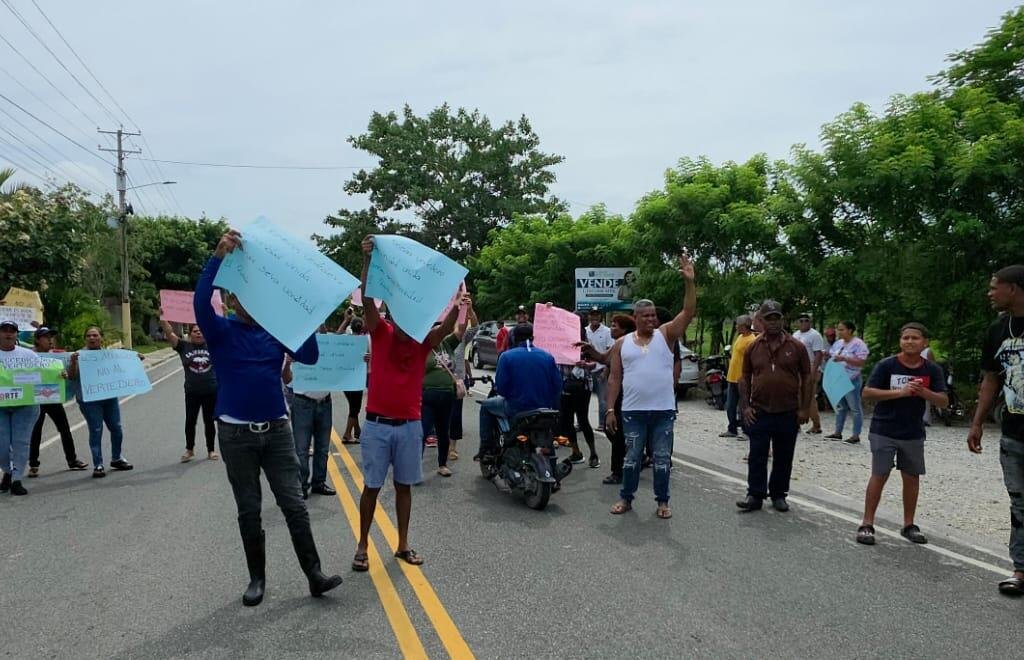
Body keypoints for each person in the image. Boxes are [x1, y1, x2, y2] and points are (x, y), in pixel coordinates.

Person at [196, 230, 342, 607]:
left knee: (294, 504)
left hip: (277, 430)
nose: (248, 302)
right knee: (249, 509)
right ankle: (257, 578)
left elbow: (309, 355)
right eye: (240, 295)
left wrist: (300, 316)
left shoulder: (276, 332)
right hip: (235, 434)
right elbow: (200, 304)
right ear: (230, 299)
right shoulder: (221, 330)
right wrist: (217, 258)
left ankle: (314, 574)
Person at [352, 235, 470, 573]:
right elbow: (368, 301)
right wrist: (368, 262)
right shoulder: (381, 332)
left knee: (404, 488)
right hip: (376, 425)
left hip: (408, 427)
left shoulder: (422, 344)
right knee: (371, 487)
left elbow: (447, 329)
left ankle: (402, 544)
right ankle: (362, 546)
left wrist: (461, 303)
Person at [606, 255, 696, 519]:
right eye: (645, 316)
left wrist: (690, 283)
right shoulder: (623, 343)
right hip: (633, 412)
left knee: (661, 460)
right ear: (636, 317)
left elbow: (688, 312)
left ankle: (662, 501)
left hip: (662, 412)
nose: (650, 319)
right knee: (631, 459)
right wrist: (610, 409)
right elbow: (614, 378)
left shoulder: (666, 335)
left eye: (653, 315)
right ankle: (626, 498)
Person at [855, 322, 947, 546]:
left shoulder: (932, 369)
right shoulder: (887, 365)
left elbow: (944, 400)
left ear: (925, 342)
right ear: (900, 341)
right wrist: (900, 392)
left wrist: (924, 392)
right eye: (905, 338)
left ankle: (909, 525)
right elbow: (867, 393)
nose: (910, 342)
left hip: (913, 431)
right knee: (880, 474)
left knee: (911, 477)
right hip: (884, 429)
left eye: (915, 338)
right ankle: (867, 524)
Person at [967, 265, 1024, 596]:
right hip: (1014, 431)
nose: (990, 293)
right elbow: (991, 379)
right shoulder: (997, 331)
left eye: (994, 287)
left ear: (1013, 289)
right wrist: (977, 421)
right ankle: (1020, 570)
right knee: (1019, 504)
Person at [735, 301, 813, 513]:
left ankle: (778, 494)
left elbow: (807, 376)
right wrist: (746, 407)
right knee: (757, 454)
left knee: (784, 455)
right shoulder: (753, 346)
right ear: (761, 321)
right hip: (760, 410)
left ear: (782, 319)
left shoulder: (796, 346)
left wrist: (804, 408)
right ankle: (755, 494)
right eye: (768, 318)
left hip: (788, 410)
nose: (773, 322)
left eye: (776, 318)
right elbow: (745, 377)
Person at [478, 323, 562, 459]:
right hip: (545, 410)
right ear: (533, 338)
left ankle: (487, 448)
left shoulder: (506, 356)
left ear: (513, 339)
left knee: (486, 407)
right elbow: (557, 386)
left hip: (516, 408)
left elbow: (502, 388)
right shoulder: (548, 357)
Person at [67, 327, 137, 478]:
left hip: (109, 397)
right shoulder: (79, 355)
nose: (92, 338)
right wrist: (73, 363)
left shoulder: (109, 354)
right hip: (89, 401)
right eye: (88, 335)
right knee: (96, 430)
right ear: (85, 339)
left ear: (101, 338)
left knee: (116, 428)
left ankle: (117, 458)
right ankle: (98, 464)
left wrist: (135, 360)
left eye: (95, 335)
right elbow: (71, 376)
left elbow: (122, 367)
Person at [579, 314, 637, 484]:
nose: (611, 328)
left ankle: (618, 471)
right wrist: (589, 349)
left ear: (625, 329)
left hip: (626, 393)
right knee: (613, 429)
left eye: (615, 325)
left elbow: (608, 362)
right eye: (611, 325)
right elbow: (604, 359)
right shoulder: (618, 344)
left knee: (615, 430)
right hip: (618, 394)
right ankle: (629, 460)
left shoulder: (628, 343)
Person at [28, 327, 88, 476]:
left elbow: (67, 375)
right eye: (46, 337)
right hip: (35, 399)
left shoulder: (57, 357)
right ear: (37, 340)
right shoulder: (28, 356)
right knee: (36, 432)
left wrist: (63, 374)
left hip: (52, 397)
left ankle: (72, 460)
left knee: (64, 429)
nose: (50, 340)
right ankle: (33, 464)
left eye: (51, 337)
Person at [159, 316, 219, 463]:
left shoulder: (213, 345)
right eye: (196, 331)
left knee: (209, 421)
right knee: (190, 421)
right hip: (192, 392)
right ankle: (189, 450)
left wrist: (222, 313)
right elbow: (169, 333)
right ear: (190, 333)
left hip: (211, 391)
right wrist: (162, 319)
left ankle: (211, 450)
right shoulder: (184, 346)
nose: (199, 333)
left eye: (201, 331)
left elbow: (222, 331)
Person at [288, 325, 337, 499]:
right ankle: (301, 485)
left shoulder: (330, 341)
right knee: (301, 449)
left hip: (325, 402)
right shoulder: (295, 342)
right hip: (303, 403)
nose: (319, 325)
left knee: (323, 448)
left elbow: (343, 360)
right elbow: (286, 379)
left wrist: (361, 360)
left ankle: (318, 483)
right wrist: (287, 363)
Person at [0, 319, 42, 496]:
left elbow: (44, 374)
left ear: (17, 334)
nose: (8, 333)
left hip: (24, 406)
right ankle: (8, 471)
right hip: (1, 407)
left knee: (20, 442)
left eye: (12, 330)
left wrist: (59, 375)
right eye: (4, 330)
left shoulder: (29, 355)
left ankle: (17, 479)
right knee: (2, 444)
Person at [421, 319, 466, 477]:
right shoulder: (423, 347)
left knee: (443, 431)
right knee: (423, 431)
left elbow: (461, 329)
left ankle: (442, 464)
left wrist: (465, 309)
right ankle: (414, 467)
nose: (440, 333)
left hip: (447, 395)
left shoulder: (448, 344)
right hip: (428, 395)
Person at [558, 314, 599, 468]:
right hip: (564, 384)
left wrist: (586, 365)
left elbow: (595, 362)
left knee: (582, 419)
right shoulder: (559, 341)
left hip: (582, 386)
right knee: (566, 420)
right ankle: (576, 451)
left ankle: (593, 453)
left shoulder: (585, 343)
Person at [824, 321, 869, 444]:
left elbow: (861, 362)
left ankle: (856, 435)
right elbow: (833, 355)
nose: (839, 332)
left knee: (854, 407)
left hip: (852, 378)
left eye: (842, 329)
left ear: (849, 330)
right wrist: (827, 355)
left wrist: (845, 358)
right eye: (838, 329)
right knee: (840, 406)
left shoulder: (859, 344)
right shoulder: (838, 343)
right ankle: (838, 432)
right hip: (839, 377)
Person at [448, 306, 479, 461]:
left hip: (457, 384)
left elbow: (475, 327)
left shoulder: (462, 339)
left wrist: (470, 310)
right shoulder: (437, 336)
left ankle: (452, 447)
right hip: (439, 385)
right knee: (439, 417)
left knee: (454, 416)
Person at [720, 315, 756, 439]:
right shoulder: (740, 337)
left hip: (742, 379)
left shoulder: (751, 340)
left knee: (743, 406)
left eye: (737, 325)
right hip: (732, 377)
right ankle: (732, 428)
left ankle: (747, 431)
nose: (735, 327)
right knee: (730, 405)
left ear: (744, 326)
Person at [792, 313, 827, 434]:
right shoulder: (795, 335)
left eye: (806, 320)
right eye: (801, 320)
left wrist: (813, 371)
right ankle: (797, 423)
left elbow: (818, 354)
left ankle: (816, 425)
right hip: (797, 368)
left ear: (810, 322)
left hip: (811, 367)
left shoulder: (815, 335)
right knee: (797, 397)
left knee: (809, 397)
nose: (803, 323)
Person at [337, 314, 367, 444]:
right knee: (355, 408)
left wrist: (345, 320)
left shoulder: (345, 339)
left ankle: (357, 431)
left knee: (353, 406)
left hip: (345, 379)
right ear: (361, 328)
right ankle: (347, 434)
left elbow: (336, 336)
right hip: (357, 379)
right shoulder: (364, 341)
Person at [586, 307, 615, 430]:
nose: (595, 317)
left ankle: (602, 424)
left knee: (603, 399)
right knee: (583, 399)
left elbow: (610, 352)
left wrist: (606, 370)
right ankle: (582, 423)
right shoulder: (584, 330)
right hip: (586, 370)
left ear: (601, 317)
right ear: (589, 316)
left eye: (597, 315)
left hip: (601, 370)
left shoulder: (607, 331)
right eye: (592, 315)